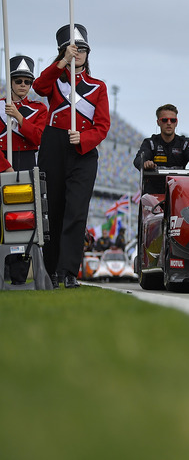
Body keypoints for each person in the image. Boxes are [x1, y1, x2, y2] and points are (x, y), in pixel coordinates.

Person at [32, 23, 110, 289]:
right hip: (53, 145)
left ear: (89, 53)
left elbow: (102, 125)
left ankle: (69, 271)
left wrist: (84, 139)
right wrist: (62, 61)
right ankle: (51, 270)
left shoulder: (98, 87)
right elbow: (39, 86)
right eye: (71, 50)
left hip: (82, 152)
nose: (77, 54)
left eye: (81, 50)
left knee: (76, 211)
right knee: (52, 210)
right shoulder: (55, 80)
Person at [1, 55, 47, 284]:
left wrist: (18, 117)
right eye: (18, 80)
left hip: (28, 162)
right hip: (3, 164)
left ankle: (20, 274)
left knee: (26, 217)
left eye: (27, 82)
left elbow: (38, 138)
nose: (22, 85)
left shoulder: (39, 109)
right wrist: (4, 166)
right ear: (10, 82)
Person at [134, 104, 189, 194]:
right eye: (164, 120)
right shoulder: (150, 143)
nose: (169, 123)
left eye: (172, 120)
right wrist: (145, 163)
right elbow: (138, 160)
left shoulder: (184, 143)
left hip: (177, 194)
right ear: (158, 122)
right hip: (154, 195)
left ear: (176, 122)